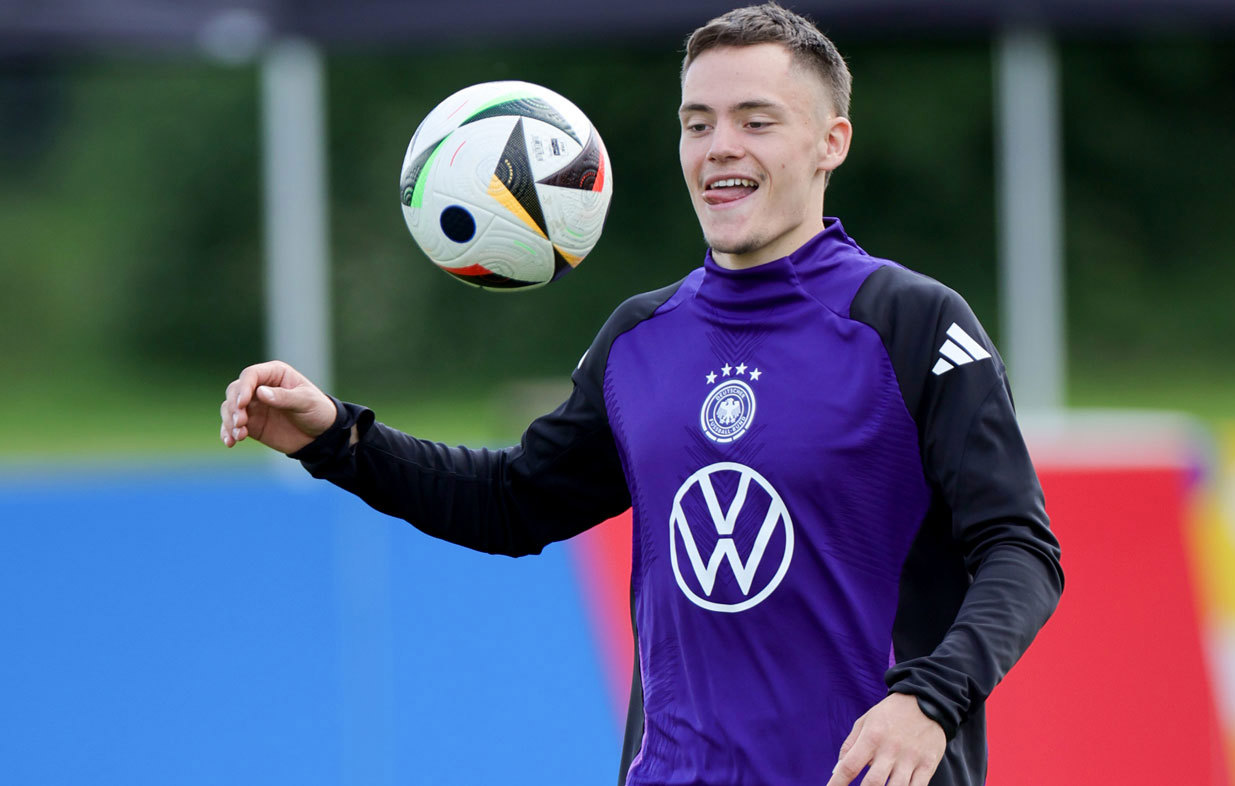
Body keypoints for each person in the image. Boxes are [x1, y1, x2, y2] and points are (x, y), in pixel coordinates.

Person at [219, 4, 1063, 784]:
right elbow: (515, 502)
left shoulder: (910, 324)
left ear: (830, 142)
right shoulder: (640, 338)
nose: (719, 146)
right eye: (697, 124)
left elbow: (1021, 551)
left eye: (755, 121)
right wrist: (334, 438)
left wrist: (927, 702)